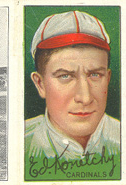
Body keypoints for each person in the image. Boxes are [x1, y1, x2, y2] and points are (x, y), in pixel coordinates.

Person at [25, 11, 120, 160]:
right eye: (65, 76)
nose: (85, 98)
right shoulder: (19, 141)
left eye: (95, 75)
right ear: (40, 84)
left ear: (107, 80)